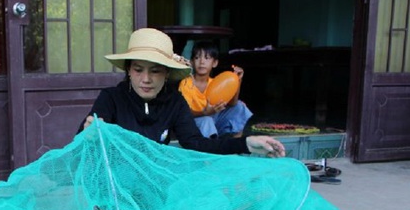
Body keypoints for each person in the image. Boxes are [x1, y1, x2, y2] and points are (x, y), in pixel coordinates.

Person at [79, 28, 284, 157]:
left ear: (167, 74)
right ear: (128, 71)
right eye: (138, 69)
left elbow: (197, 143)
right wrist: (87, 134)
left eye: (156, 71)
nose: (146, 79)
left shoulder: (175, 102)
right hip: (116, 190)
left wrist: (246, 144)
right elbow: (81, 143)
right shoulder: (111, 98)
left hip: (155, 182)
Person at [178, 40, 253, 138]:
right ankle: (210, 148)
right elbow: (184, 113)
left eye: (207, 58)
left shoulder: (216, 83)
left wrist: (238, 80)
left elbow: (232, 103)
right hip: (194, 123)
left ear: (215, 63)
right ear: (191, 62)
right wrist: (204, 113)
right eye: (197, 57)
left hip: (213, 120)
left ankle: (236, 143)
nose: (202, 62)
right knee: (206, 120)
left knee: (239, 106)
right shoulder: (186, 83)